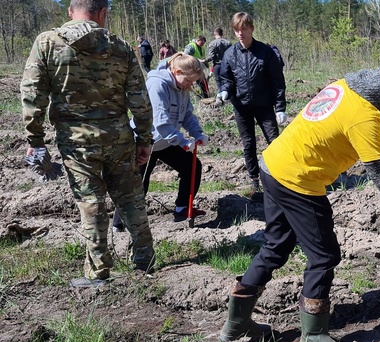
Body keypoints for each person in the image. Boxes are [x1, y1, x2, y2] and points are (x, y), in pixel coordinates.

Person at [218, 58, 380, 342]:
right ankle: (313, 338)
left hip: (274, 165)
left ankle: (235, 325)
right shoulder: (365, 114)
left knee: (277, 245)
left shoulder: (346, 87)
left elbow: (350, 126)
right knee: (324, 255)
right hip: (299, 179)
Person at [20, 0, 156, 283]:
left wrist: (35, 138)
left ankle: (98, 273)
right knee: (131, 199)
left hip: (76, 140)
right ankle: (145, 260)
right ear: (103, 13)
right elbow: (140, 100)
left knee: (90, 202)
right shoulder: (120, 47)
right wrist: (144, 138)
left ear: (71, 11)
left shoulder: (48, 42)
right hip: (118, 136)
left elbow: (33, 94)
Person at [111, 53, 210, 231]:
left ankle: (182, 209)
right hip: (145, 141)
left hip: (166, 141)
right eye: (188, 80)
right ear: (176, 71)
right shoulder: (157, 85)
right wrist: (183, 142)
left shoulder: (182, 89)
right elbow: (160, 123)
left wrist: (197, 133)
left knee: (192, 165)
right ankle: (119, 225)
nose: (190, 85)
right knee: (138, 184)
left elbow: (187, 115)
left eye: (193, 82)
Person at [217, 12, 287, 193]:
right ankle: (254, 179)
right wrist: (224, 91)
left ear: (251, 29)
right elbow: (227, 79)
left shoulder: (266, 52)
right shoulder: (230, 54)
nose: (240, 33)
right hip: (241, 107)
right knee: (248, 143)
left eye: (244, 29)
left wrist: (280, 108)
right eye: (237, 30)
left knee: (274, 141)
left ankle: (281, 176)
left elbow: (277, 81)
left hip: (264, 105)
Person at [207, 28, 232, 94]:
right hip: (227, 65)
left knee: (219, 82)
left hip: (217, 65)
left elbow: (211, 57)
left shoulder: (212, 43)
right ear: (222, 34)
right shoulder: (228, 43)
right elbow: (232, 55)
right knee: (227, 81)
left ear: (215, 34)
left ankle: (221, 96)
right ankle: (227, 95)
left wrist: (204, 61)